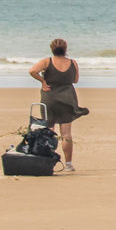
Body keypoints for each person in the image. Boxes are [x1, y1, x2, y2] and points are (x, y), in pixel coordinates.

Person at [28, 38, 89, 172]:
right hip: (68, 98)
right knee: (66, 134)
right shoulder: (73, 62)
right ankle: (68, 164)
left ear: (52, 49)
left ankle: (49, 160)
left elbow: (32, 71)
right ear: (65, 49)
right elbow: (75, 80)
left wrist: (43, 82)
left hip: (50, 98)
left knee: (50, 132)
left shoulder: (47, 61)